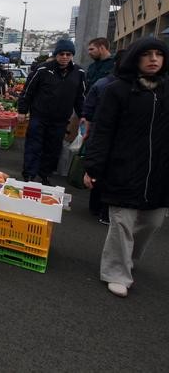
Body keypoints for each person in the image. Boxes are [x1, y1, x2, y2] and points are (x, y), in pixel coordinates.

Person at [83, 37, 169, 298]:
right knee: (122, 222)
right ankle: (117, 272)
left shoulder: (167, 90)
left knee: (152, 221)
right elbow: (103, 130)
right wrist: (93, 167)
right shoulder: (118, 90)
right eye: (147, 54)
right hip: (124, 167)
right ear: (136, 58)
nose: (153, 59)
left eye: (158, 54)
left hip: (160, 172)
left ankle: (127, 256)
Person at [17, 39, 86, 185]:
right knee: (33, 146)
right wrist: (22, 110)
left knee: (53, 148)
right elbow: (28, 90)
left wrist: (83, 115)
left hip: (60, 120)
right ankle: (29, 174)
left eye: (68, 54)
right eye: (61, 54)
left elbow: (80, 97)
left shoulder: (79, 73)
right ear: (56, 55)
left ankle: (45, 174)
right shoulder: (43, 70)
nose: (65, 57)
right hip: (39, 116)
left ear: (72, 55)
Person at [81, 49, 126, 224]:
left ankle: (97, 207)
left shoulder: (103, 82)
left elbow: (88, 108)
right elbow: (89, 109)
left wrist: (86, 129)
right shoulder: (108, 85)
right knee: (105, 169)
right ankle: (104, 210)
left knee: (101, 169)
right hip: (106, 133)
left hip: (101, 133)